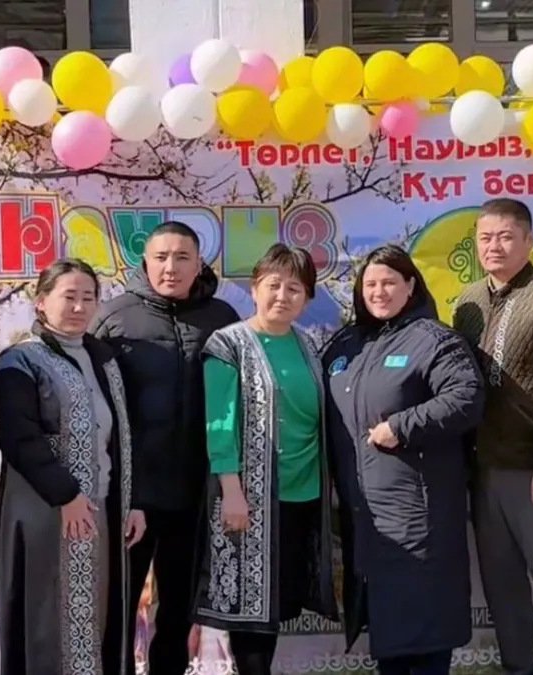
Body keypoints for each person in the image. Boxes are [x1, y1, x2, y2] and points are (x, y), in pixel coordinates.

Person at [322, 245, 485, 675]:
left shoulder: (434, 340)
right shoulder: (345, 345)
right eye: (370, 284)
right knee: (390, 635)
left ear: (410, 285)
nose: (379, 292)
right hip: (365, 519)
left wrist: (401, 426)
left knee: (425, 634)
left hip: (418, 514)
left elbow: (466, 397)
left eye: (390, 282)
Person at [90, 221, 238, 675]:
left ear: (199, 263)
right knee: (118, 606)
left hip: (193, 493)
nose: (170, 267)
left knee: (177, 609)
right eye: (161, 257)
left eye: (181, 257)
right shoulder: (114, 317)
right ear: (145, 262)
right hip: (130, 494)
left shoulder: (222, 318)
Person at [0, 258, 146, 674]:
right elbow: (20, 439)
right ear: (41, 302)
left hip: (102, 511)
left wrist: (132, 502)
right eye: (69, 297)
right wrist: (67, 495)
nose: (79, 307)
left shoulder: (105, 360)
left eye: (88, 298)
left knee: (99, 620)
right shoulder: (19, 361)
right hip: (46, 514)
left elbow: (120, 437)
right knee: (48, 623)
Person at [452, 198, 533, 675]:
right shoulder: (467, 303)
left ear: (529, 242)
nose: (495, 246)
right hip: (484, 469)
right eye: (486, 237)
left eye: (506, 237)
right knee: (501, 585)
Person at [193, 244, 338, 675]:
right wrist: (231, 490)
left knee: (277, 605)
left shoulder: (308, 345)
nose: (283, 296)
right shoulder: (228, 344)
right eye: (273, 285)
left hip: (301, 495)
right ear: (255, 289)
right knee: (250, 612)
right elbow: (220, 424)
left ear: (307, 298)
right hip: (248, 500)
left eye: (295, 288)